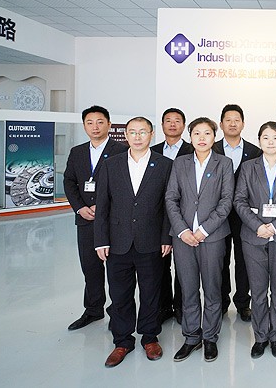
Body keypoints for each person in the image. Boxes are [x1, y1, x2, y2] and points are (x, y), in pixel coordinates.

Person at [94, 117, 173, 368]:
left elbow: (168, 205)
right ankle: (122, 341)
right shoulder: (111, 165)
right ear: (125, 135)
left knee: (151, 293)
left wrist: (166, 237)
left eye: (142, 132)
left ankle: (150, 337)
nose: (137, 137)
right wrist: (100, 240)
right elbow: (102, 205)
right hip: (117, 242)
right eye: (132, 132)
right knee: (120, 294)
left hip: (151, 241)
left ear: (151, 134)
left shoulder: (165, 164)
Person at [164, 117, 234, 363]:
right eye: (197, 133)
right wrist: (182, 230)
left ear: (214, 137)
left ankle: (210, 337)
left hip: (212, 236)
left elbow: (226, 201)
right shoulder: (180, 163)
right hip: (183, 238)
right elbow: (171, 198)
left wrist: (204, 229)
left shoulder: (224, 163)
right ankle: (192, 336)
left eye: (207, 133)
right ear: (190, 136)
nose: (202, 138)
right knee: (188, 288)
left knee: (213, 288)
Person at [233, 121, 276, 359]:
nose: (270, 142)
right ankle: (261, 336)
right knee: (258, 290)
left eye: (275, 138)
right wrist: (258, 226)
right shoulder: (248, 167)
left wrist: (275, 226)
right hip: (253, 236)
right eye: (265, 137)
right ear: (259, 141)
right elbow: (239, 200)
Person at [63, 105, 127, 331]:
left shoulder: (122, 151)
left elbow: (126, 186)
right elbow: (69, 182)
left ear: (109, 124)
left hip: (113, 220)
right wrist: (80, 207)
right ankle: (93, 309)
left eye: (100, 122)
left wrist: (103, 206)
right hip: (86, 219)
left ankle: (117, 313)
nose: (95, 127)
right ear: (84, 126)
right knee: (90, 267)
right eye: (89, 123)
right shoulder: (77, 152)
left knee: (116, 270)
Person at [213, 104, 262, 322]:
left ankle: (243, 302)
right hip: (217, 215)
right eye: (228, 120)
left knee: (245, 260)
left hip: (245, 216)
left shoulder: (254, 151)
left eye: (237, 120)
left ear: (243, 123)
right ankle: (221, 302)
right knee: (219, 260)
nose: (232, 124)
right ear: (221, 123)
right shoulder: (211, 148)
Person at [151, 107, 194, 324]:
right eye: (168, 120)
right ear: (162, 126)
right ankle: (163, 306)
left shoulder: (192, 149)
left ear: (183, 126)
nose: (172, 124)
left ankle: (181, 307)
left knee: (183, 266)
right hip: (157, 215)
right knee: (160, 264)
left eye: (177, 120)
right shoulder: (152, 151)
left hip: (184, 215)